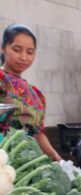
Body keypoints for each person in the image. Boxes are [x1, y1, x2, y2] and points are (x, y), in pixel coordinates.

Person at [0, 24, 61, 161]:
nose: (23, 57)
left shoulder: (35, 94)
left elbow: (37, 133)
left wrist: (56, 157)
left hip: (27, 161)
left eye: (30, 52)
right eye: (17, 50)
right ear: (3, 48)